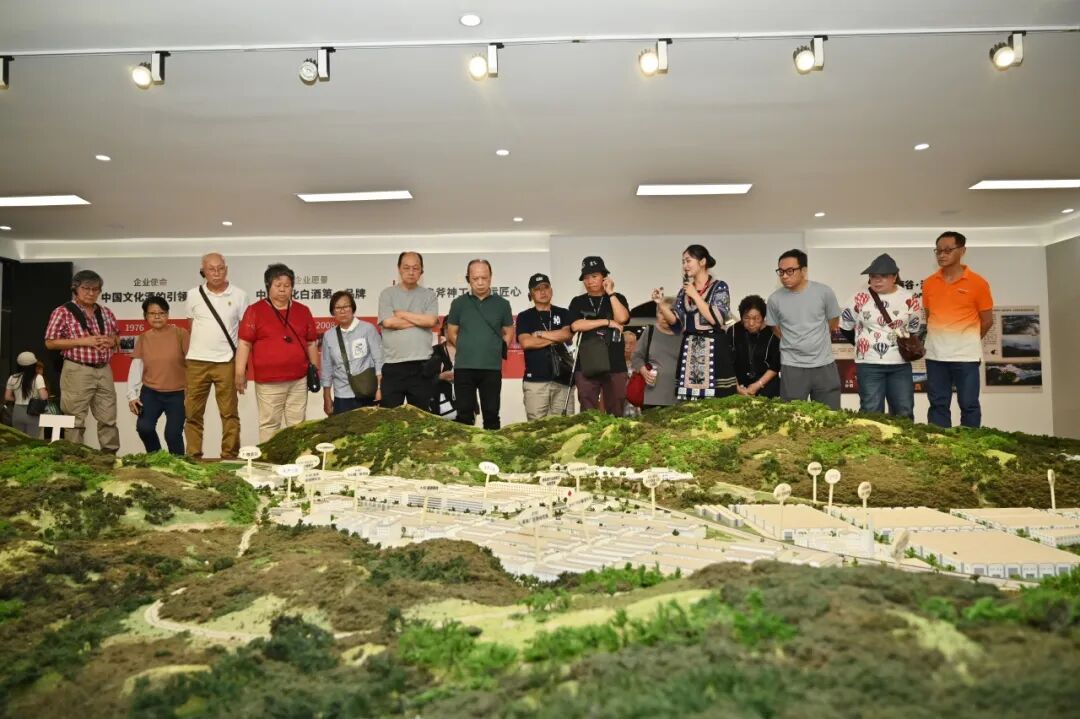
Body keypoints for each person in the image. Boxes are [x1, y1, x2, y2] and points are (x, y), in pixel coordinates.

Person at [235, 264, 319, 442]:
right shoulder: (255, 311)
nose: (282, 289)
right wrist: (240, 371)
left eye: (287, 285)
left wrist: (315, 370)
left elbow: (311, 343)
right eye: (278, 285)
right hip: (269, 382)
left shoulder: (303, 311)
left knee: (298, 424)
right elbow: (244, 343)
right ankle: (270, 459)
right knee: (270, 425)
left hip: (298, 379)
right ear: (268, 286)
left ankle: (296, 458)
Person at [44, 269, 121, 452]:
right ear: (75, 289)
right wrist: (83, 341)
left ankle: (109, 457)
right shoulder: (62, 312)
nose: (91, 293)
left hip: (104, 369)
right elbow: (50, 342)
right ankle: (75, 458)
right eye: (86, 288)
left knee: (108, 418)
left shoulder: (106, 312)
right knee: (74, 419)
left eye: (95, 289)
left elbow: (117, 338)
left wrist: (112, 341)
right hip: (77, 369)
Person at [923, 231, 994, 428]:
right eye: (938, 251)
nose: (941, 255)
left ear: (962, 251)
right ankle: (939, 442)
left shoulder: (978, 283)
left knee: (969, 404)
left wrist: (967, 340)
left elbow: (987, 321)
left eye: (947, 250)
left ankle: (970, 443)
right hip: (935, 355)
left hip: (966, 356)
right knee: (938, 404)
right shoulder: (929, 283)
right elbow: (930, 316)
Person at [839, 255, 922, 419]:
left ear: (894, 277)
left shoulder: (909, 298)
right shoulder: (859, 298)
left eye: (883, 276)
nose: (877, 281)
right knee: (871, 411)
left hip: (900, 364)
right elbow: (845, 327)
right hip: (869, 364)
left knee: (904, 411)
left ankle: (901, 437)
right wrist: (863, 345)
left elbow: (914, 329)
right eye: (873, 276)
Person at [184, 253, 246, 460]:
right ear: (203, 271)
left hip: (226, 362)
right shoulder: (193, 295)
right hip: (196, 362)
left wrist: (241, 367)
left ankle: (229, 456)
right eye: (211, 269)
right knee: (192, 414)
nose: (216, 273)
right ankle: (193, 457)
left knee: (229, 413)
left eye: (220, 268)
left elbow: (244, 335)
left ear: (226, 269)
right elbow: (192, 326)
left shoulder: (239, 295)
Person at [656, 245, 737, 401]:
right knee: (690, 401)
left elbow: (717, 319)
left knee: (718, 400)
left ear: (702, 262)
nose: (685, 265)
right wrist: (662, 305)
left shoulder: (719, 287)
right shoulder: (684, 291)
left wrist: (695, 295)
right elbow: (677, 323)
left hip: (714, 349)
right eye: (683, 262)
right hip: (690, 349)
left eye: (688, 261)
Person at [766, 249, 842, 409]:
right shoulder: (774, 299)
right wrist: (793, 341)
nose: (784, 276)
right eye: (781, 271)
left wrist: (817, 337)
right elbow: (774, 327)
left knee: (830, 414)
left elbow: (833, 320)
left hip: (824, 364)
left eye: (790, 271)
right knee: (792, 415)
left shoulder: (824, 292)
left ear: (804, 270)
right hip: (792, 365)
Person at [446, 259, 514, 429]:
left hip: (491, 368)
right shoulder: (458, 303)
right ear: (468, 279)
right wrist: (466, 347)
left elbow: (509, 331)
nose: (480, 282)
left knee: (491, 415)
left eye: (484, 278)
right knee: (464, 416)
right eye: (475, 278)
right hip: (464, 367)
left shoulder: (502, 304)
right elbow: (452, 332)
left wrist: (497, 349)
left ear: (491, 277)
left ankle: (492, 447)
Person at [127, 296, 190, 454]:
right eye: (152, 313)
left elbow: (192, 365)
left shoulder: (181, 334)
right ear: (146, 316)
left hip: (178, 394)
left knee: (172, 434)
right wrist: (132, 396)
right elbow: (136, 367)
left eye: (162, 313)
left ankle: (178, 464)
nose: (157, 317)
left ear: (168, 314)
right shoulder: (143, 338)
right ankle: (157, 458)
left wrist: (191, 392)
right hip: (151, 393)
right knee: (144, 428)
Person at [568, 256, 630, 416]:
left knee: (616, 409)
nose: (589, 281)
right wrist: (607, 322)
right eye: (586, 278)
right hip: (586, 363)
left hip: (615, 362)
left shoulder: (618, 298)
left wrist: (611, 293)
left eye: (594, 276)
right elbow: (575, 325)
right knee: (588, 411)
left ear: (604, 277)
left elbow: (622, 318)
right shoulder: (578, 301)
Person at [378, 252, 439, 410]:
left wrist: (402, 314)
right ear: (399, 269)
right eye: (406, 268)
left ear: (421, 270)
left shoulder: (429, 295)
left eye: (415, 268)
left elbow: (430, 321)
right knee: (390, 417)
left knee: (420, 417)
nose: (411, 272)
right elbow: (388, 322)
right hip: (393, 365)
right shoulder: (387, 294)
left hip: (421, 366)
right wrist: (420, 320)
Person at [515, 273, 575, 420]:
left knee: (564, 425)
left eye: (546, 287)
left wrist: (540, 334)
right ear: (531, 294)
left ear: (551, 290)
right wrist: (556, 338)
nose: (543, 292)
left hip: (563, 379)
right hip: (536, 381)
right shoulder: (524, 316)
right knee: (536, 427)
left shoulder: (563, 313)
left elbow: (567, 335)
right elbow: (526, 342)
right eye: (537, 289)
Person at [321, 290, 383, 415]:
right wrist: (326, 397)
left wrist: (379, 388)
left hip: (367, 392)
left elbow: (379, 360)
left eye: (346, 306)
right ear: (333, 312)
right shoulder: (329, 336)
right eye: (338, 308)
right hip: (342, 396)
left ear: (353, 308)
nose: (342, 311)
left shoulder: (368, 329)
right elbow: (327, 368)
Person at [630, 297, 682, 409]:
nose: (664, 317)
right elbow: (636, 356)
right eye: (661, 312)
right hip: (651, 395)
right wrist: (644, 371)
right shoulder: (650, 331)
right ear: (656, 314)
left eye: (670, 312)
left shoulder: (685, 334)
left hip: (680, 397)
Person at [729, 295, 781, 399]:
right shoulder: (734, 331)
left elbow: (775, 365)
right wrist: (737, 387)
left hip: (767, 386)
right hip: (739, 386)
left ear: (763, 317)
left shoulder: (773, 332)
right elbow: (728, 361)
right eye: (746, 318)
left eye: (756, 318)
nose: (751, 323)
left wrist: (758, 384)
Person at [5, 351, 49, 437]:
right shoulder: (38, 377)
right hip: (32, 412)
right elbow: (43, 397)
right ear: (34, 365)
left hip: (17, 412)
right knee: (32, 441)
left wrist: (17, 398)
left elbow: (7, 397)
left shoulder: (12, 377)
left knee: (19, 440)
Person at [429, 322, 458, 420]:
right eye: (447, 329)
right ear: (444, 331)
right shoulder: (434, 351)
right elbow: (424, 380)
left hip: (466, 406)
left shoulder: (468, 352)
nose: (449, 332)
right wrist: (440, 377)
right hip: (440, 406)